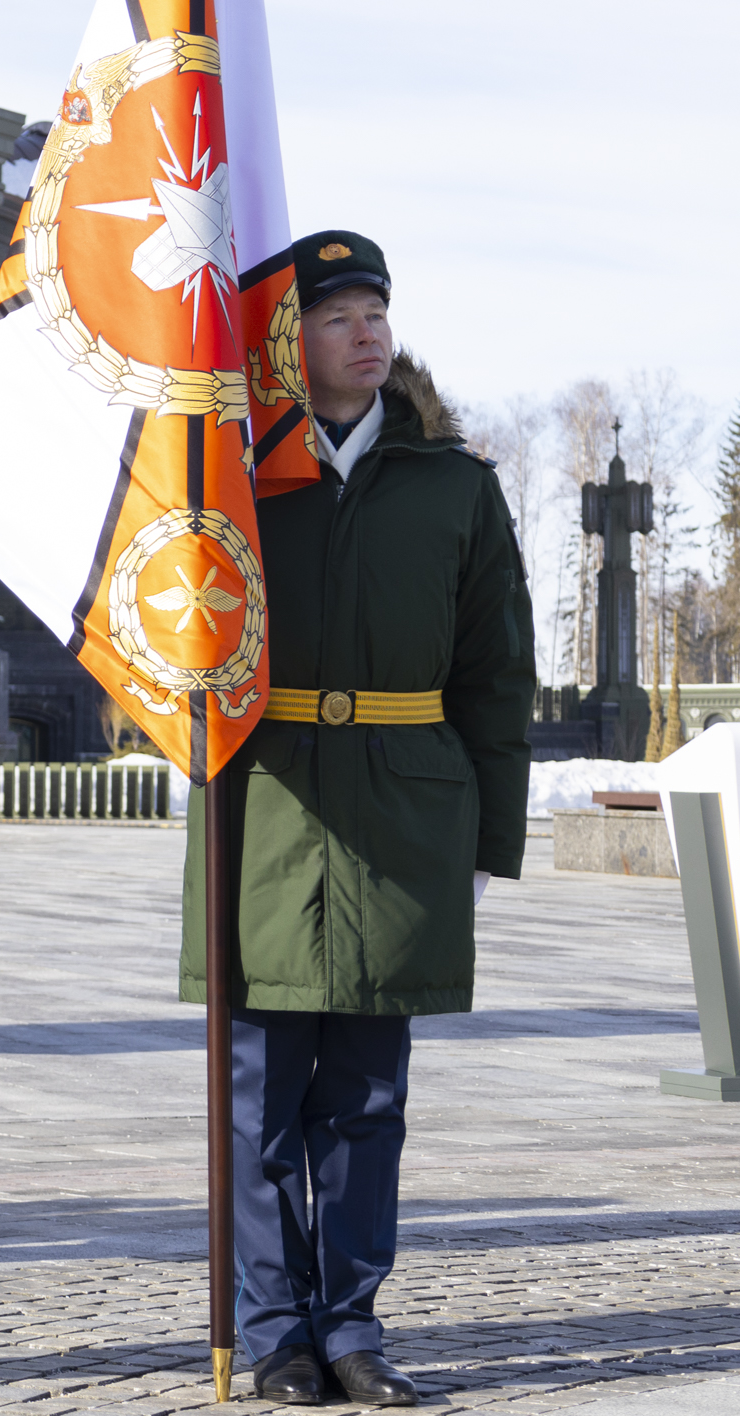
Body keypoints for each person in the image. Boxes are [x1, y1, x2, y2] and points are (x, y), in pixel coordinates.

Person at [184, 231, 532, 1408]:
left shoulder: (455, 488)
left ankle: (352, 1327)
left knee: (368, 1099)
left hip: (404, 811)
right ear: (293, 338)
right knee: (260, 1094)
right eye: (337, 314)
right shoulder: (233, 476)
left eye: (377, 310)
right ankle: (275, 1326)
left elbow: (496, 671)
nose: (366, 331)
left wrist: (489, 841)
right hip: (268, 804)